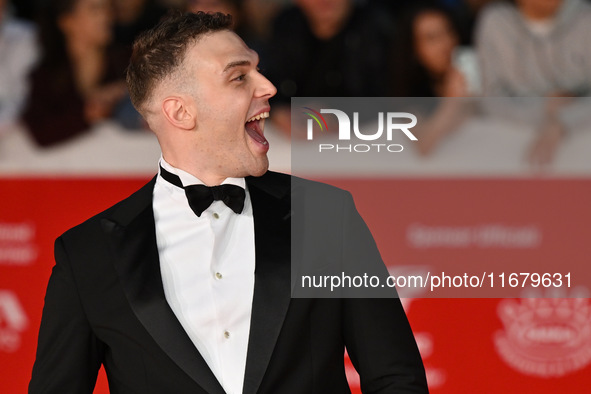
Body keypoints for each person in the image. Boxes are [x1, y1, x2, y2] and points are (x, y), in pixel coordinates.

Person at [29, 11, 428, 393]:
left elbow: (396, 378)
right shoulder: (88, 255)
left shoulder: (326, 216)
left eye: (257, 68)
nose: (268, 87)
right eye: (239, 76)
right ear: (181, 112)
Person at [22, 0, 128, 146]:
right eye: (95, 10)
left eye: (108, 10)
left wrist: (125, 93)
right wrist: (89, 111)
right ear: (67, 21)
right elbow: (40, 131)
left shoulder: (128, 64)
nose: (107, 17)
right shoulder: (45, 75)